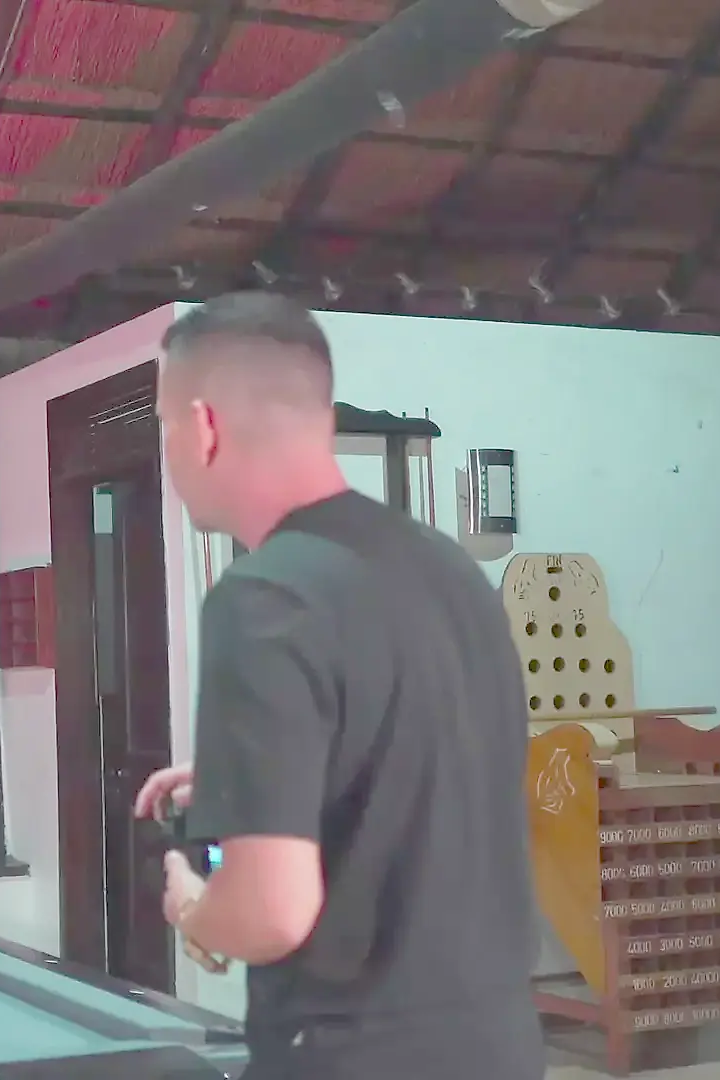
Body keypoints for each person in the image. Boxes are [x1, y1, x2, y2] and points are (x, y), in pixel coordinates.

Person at [131, 292, 544, 1079]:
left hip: (355, 1055)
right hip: (501, 1047)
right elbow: (426, 770)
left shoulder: (262, 596)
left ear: (204, 427)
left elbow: (272, 913)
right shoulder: (453, 571)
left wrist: (193, 906)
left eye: (164, 424)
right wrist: (254, 783)